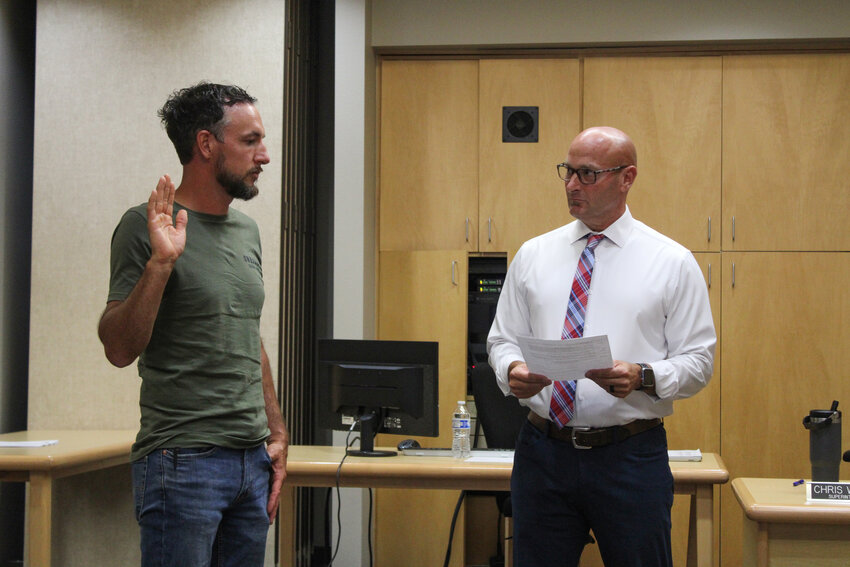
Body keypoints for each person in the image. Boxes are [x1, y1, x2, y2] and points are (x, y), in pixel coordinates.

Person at [487, 126, 715, 566]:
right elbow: (502, 339)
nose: (572, 185)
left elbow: (699, 362)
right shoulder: (533, 255)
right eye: (568, 172)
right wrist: (511, 369)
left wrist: (644, 375)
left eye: (587, 174)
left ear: (627, 178)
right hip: (543, 452)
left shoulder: (671, 261)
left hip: (628, 455)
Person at [98, 82, 288, 567]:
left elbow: (248, 335)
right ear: (206, 145)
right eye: (250, 141)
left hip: (251, 460)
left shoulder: (247, 230)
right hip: (183, 462)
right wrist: (160, 264)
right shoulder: (144, 226)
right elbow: (119, 348)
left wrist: (276, 430)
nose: (264, 155)